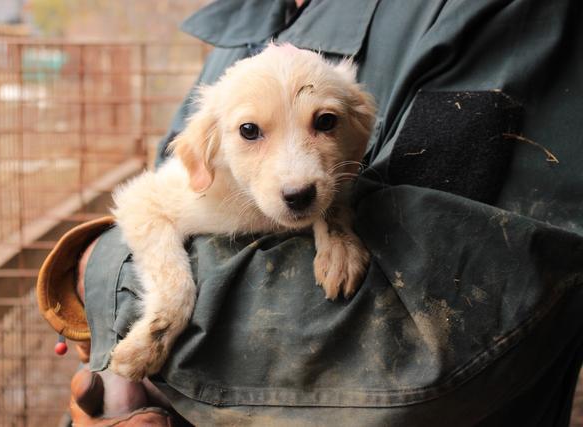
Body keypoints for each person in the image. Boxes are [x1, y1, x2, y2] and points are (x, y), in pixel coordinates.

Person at [36, 0, 583, 425]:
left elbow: (434, 327)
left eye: (324, 123)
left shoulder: (500, 18)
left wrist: (99, 277)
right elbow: (156, 194)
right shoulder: (239, 32)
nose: (297, 174)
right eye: (251, 133)